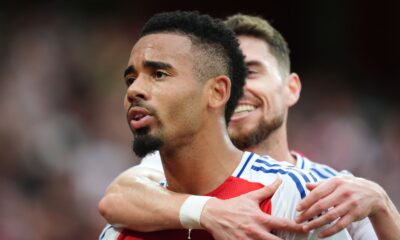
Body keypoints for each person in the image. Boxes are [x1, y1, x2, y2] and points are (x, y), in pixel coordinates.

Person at [99, 13, 400, 239]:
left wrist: (383, 204)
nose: (238, 89)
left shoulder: (329, 191)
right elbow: (116, 199)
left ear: (291, 88)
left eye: (250, 73)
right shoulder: (166, 170)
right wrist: (211, 210)